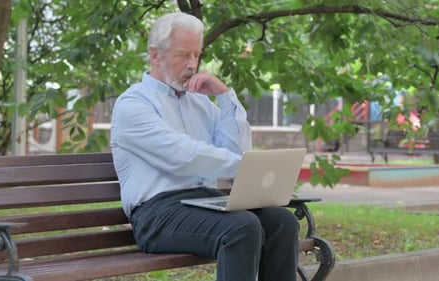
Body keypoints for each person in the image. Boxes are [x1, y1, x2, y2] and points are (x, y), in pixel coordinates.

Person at [110, 12, 300, 281]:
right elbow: (181, 155)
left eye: (196, 55)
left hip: (203, 202)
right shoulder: (133, 105)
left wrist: (224, 97)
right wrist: (247, 166)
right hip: (156, 215)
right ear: (155, 56)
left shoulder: (199, 103)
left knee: (283, 222)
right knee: (242, 227)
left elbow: (235, 153)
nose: (191, 65)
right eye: (182, 55)